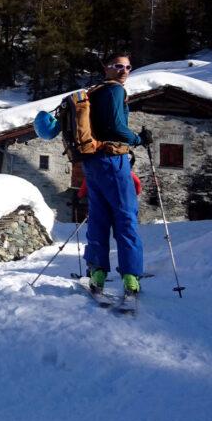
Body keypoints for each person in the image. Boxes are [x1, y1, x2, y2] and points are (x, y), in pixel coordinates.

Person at [83, 52, 152, 298]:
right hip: (113, 160)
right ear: (106, 67)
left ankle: (97, 272)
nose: (124, 71)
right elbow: (115, 127)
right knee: (125, 217)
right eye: (118, 66)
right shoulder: (114, 91)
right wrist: (138, 139)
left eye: (128, 67)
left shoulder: (94, 91)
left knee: (99, 218)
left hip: (92, 162)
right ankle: (131, 277)